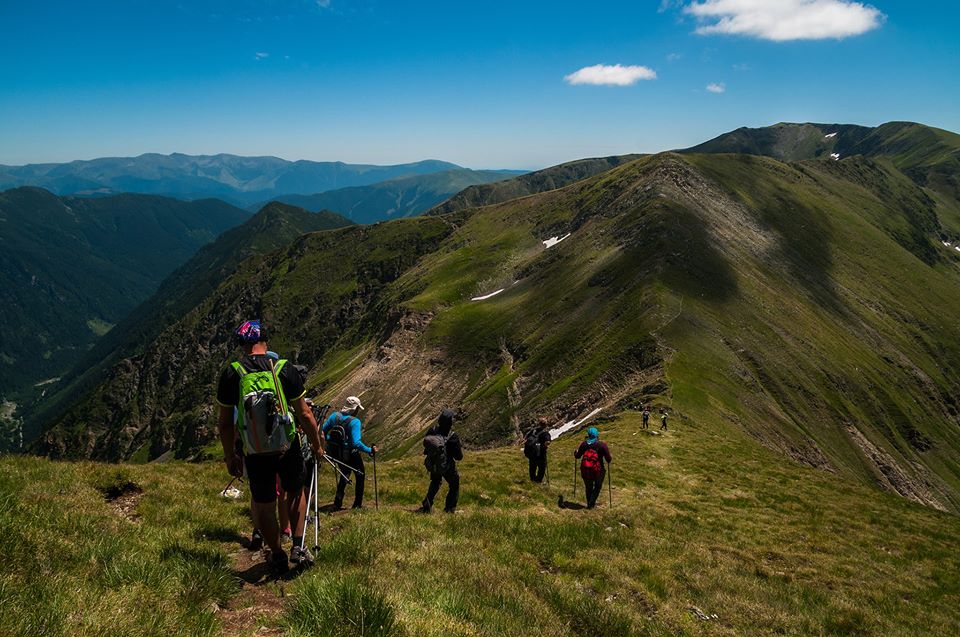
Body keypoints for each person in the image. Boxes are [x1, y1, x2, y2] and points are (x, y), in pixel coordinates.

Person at [217, 320, 324, 573]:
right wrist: (317, 444)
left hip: (255, 451)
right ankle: (298, 546)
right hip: (287, 445)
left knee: (264, 504)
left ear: (242, 345)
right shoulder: (284, 368)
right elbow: (305, 414)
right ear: (266, 340)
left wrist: (230, 456)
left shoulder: (232, 373)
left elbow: (225, 423)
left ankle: (276, 554)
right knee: (295, 492)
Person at [322, 396, 378, 510]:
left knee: (344, 474)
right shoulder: (355, 422)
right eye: (357, 408)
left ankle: (337, 502)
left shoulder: (334, 416)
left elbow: (322, 431)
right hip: (351, 453)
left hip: (337, 452)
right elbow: (356, 443)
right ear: (354, 408)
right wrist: (369, 450)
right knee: (360, 475)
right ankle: (357, 505)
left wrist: (329, 440)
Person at [420, 409, 463, 513]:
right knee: (454, 484)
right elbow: (458, 457)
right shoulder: (452, 436)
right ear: (450, 422)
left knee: (435, 482)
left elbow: (426, 447)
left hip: (433, 463)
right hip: (447, 466)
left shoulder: (432, 430)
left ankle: (427, 505)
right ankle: (449, 509)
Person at [574, 427, 612, 509]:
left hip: (585, 469)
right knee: (597, 486)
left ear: (588, 435)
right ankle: (591, 503)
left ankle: (589, 504)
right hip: (598, 470)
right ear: (597, 435)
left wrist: (575, 453)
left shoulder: (584, 444)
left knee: (588, 487)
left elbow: (577, 456)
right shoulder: (602, 445)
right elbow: (608, 459)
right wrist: (609, 456)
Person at [522, 417, 551, 483]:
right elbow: (548, 442)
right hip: (540, 454)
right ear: (546, 425)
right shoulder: (545, 433)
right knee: (542, 468)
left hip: (532, 453)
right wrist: (545, 446)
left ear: (539, 424)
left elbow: (526, 438)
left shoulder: (533, 431)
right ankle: (538, 481)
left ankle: (532, 479)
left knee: (532, 466)